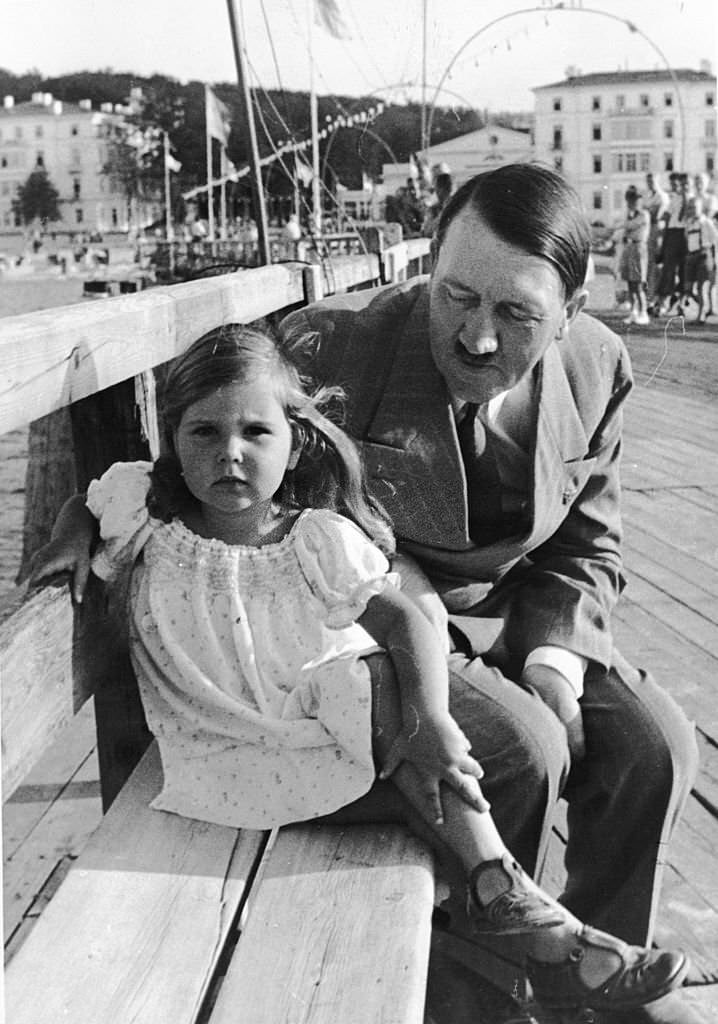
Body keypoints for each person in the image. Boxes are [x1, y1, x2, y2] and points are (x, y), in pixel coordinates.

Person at [29, 324, 689, 1019]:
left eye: (256, 432)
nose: (230, 452)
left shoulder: (313, 538)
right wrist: (70, 538)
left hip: (315, 752)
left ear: (294, 443)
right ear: (171, 439)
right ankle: (539, 928)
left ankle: (515, 905)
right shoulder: (143, 511)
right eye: (203, 433)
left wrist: (429, 718)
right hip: (215, 756)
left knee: (368, 682)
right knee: (393, 722)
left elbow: (405, 623)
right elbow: (86, 502)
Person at [280, 163, 700, 1024]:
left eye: (516, 315)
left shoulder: (598, 364)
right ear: (427, 266)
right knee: (524, 751)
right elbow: (229, 464)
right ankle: (485, 1004)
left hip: (520, 617)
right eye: (455, 296)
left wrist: (556, 665)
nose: (475, 338)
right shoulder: (330, 350)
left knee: (656, 750)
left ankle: (596, 990)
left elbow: (589, 539)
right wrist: (96, 512)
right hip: (387, 622)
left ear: (572, 313)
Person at [682, 195, 718, 323]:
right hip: (691, 256)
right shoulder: (689, 223)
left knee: (702, 287)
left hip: (703, 255)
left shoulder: (706, 222)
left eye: (694, 207)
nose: (692, 210)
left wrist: (713, 260)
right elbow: (687, 239)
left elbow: (715, 240)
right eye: (690, 208)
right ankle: (706, 307)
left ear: (700, 208)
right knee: (688, 289)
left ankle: (701, 315)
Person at [618, 185, 651, 325]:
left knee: (638, 284)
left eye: (635, 199)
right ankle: (634, 311)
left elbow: (630, 226)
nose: (633, 202)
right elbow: (625, 231)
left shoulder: (644, 214)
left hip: (639, 247)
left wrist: (621, 226)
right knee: (630, 283)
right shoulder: (630, 214)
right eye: (631, 200)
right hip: (630, 247)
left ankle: (644, 313)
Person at [642, 172, 669, 308]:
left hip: (657, 232)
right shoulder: (647, 196)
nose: (650, 184)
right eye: (648, 181)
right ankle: (648, 298)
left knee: (655, 266)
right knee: (647, 266)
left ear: (657, 181)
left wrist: (648, 211)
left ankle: (654, 298)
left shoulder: (662, 196)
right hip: (647, 232)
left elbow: (656, 215)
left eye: (652, 181)